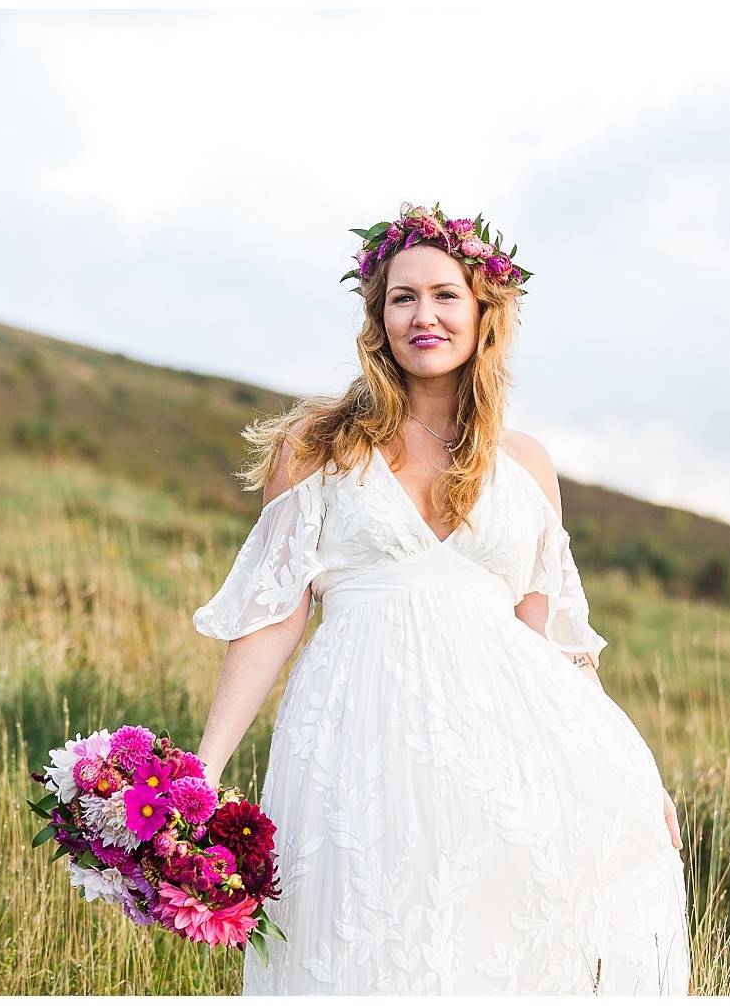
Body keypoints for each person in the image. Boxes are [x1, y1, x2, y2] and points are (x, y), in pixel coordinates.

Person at [191, 203, 691, 995]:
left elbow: (555, 643)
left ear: (483, 311)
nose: (423, 315)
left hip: (497, 754)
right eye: (401, 297)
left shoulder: (527, 464)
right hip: (351, 741)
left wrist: (633, 772)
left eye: (444, 295)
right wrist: (204, 768)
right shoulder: (318, 446)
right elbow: (273, 612)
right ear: (377, 317)